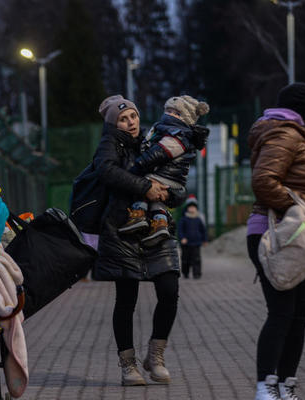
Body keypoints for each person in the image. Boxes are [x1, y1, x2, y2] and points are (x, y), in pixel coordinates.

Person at [91, 95, 183, 387]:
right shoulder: (109, 144)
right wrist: (145, 187)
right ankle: (128, 365)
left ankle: (155, 356)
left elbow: (179, 184)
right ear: (113, 123)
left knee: (170, 290)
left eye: (133, 116)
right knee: (126, 299)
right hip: (122, 228)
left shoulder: (153, 141)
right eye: (123, 118)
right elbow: (105, 171)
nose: (131, 123)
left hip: (157, 226)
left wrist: (168, 194)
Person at [247, 82, 305, 400]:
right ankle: (265, 385)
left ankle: (285, 385)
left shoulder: (296, 136)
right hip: (277, 233)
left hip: (297, 236)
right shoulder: (284, 134)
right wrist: (300, 209)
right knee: (282, 312)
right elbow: (263, 181)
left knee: (298, 314)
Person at [119, 95, 210, 247]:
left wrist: (140, 163)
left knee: (143, 184)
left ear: (185, 118)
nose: (169, 114)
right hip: (169, 177)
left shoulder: (178, 134)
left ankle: (138, 214)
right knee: (157, 197)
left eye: (175, 113)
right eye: (167, 110)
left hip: (166, 176)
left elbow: (161, 152)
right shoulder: (169, 130)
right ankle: (160, 222)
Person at [177, 196, 207, 279]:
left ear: (196, 209)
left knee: (197, 259)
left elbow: (203, 230)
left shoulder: (198, 219)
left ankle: (197, 273)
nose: (192, 209)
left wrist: (204, 240)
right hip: (186, 243)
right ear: (187, 208)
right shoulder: (183, 219)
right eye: (190, 207)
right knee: (185, 260)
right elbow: (180, 230)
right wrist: (182, 238)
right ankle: (185, 272)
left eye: (194, 207)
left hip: (196, 243)